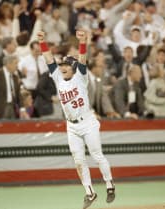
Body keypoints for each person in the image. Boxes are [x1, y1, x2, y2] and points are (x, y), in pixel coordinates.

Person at [38, 30, 115, 209]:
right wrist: (43, 42)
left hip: (87, 121)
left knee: (97, 155)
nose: (63, 67)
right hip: (71, 125)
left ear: (73, 67)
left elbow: (82, 59)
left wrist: (83, 42)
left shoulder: (81, 77)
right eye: (62, 64)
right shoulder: (58, 77)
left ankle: (109, 185)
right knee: (78, 160)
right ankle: (90, 192)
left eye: (66, 64)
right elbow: (49, 59)